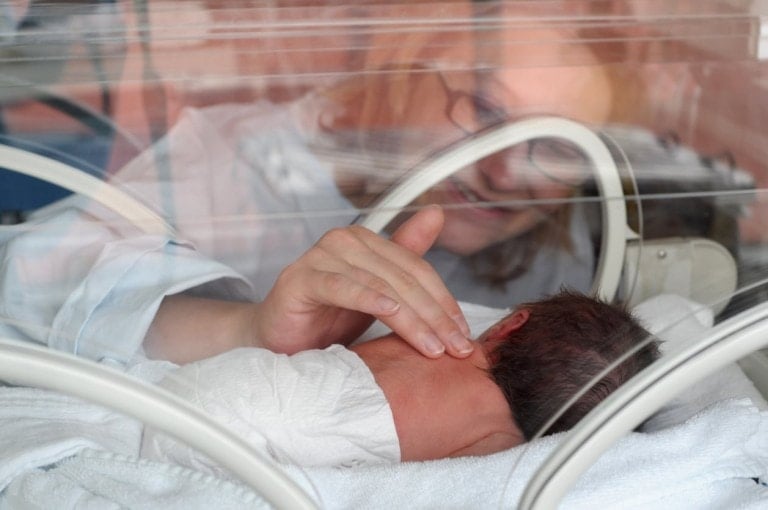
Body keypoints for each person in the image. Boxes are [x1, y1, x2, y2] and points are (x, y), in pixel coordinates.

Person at [0, 7, 616, 366]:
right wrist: (249, 331)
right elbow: (38, 289)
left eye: (559, 147)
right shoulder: (242, 160)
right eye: (484, 109)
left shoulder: (563, 243)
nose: (507, 173)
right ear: (404, 71)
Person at [141, 289, 660, 472]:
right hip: (262, 458)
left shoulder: (440, 337)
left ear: (511, 323)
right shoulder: (498, 445)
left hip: (216, 394)